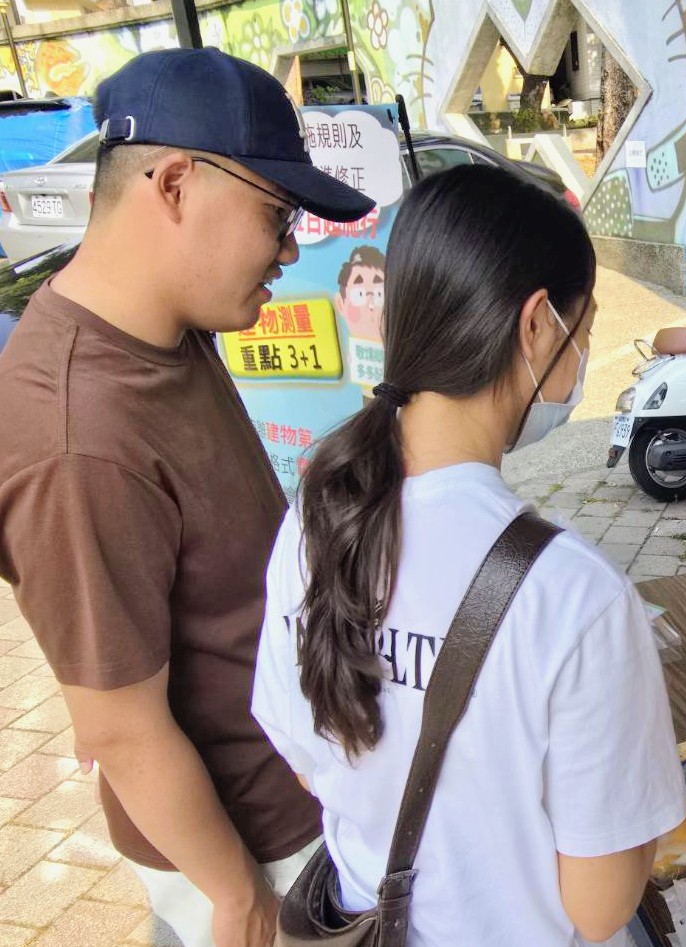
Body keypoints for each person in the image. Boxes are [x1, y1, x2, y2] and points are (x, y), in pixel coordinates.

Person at [251, 162, 686, 946]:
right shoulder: (574, 597)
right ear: (535, 326)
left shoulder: (314, 521)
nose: (581, 358)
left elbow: (305, 758)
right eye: (581, 331)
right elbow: (599, 906)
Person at [0, 49, 374, 947]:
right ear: (172, 185)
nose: (288, 250)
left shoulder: (164, 327)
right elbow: (120, 728)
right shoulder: (77, 435)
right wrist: (236, 894)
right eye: (275, 215)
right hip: (251, 847)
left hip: (299, 789)